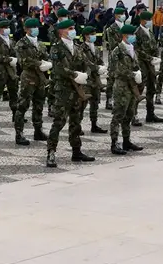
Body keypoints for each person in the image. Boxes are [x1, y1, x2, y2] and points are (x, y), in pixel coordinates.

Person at [45, 19, 94, 168]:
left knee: (76, 122)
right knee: (59, 122)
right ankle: (51, 152)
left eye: (73, 28)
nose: (73, 31)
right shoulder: (56, 49)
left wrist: (86, 73)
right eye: (70, 28)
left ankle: (76, 151)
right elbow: (58, 68)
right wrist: (74, 75)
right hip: (63, 91)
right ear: (61, 31)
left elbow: (87, 64)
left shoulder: (78, 48)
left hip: (77, 91)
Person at [108, 23, 144, 154]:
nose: (134, 36)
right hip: (122, 86)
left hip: (132, 86)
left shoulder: (132, 49)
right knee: (118, 115)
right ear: (125, 36)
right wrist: (133, 74)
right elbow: (117, 70)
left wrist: (138, 74)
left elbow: (135, 65)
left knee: (129, 114)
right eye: (132, 34)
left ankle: (126, 141)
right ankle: (114, 143)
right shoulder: (117, 51)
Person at [14, 18, 50, 142]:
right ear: (26, 29)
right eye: (32, 28)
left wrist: (48, 63)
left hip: (40, 78)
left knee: (39, 105)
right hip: (28, 78)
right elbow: (23, 61)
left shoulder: (40, 44)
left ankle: (38, 131)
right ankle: (19, 133)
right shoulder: (21, 44)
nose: (35, 29)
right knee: (23, 105)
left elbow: (46, 56)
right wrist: (40, 63)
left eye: (37, 27)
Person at [0, 20, 22, 144]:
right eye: (5, 27)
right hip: (1, 71)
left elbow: (16, 53)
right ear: (0, 29)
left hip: (12, 71)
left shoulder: (11, 40)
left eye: (8, 27)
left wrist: (15, 59)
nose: (8, 29)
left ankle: (15, 114)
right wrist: (10, 59)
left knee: (14, 93)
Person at [77, 26, 107, 136]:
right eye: (92, 34)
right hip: (86, 79)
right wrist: (97, 68)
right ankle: (77, 125)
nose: (94, 36)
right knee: (82, 103)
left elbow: (99, 60)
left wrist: (103, 67)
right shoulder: (81, 48)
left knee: (95, 102)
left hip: (96, 79)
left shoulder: (96, 48)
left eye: (95, 33)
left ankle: (94, 124)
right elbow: (86, 62)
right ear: (86, 36)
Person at [136, 11, 163, 123]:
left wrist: (156, 57)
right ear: (142, 20)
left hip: (151, 65)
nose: (150, 21)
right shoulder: (137, 33)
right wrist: (150, 58)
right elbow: (137, 50)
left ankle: (150, 113)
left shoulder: (150, 32)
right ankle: (134, 115)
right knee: (139, 90)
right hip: (142, 64)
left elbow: (155, 46)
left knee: (151, 89)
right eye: (149, 19)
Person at [103, 7, 126, 109]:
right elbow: (113, 45)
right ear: (116, 15)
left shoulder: (126, 27)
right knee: (112, 78)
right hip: (115, 56)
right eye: (122, 13)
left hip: (126, 57)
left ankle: (121, 98)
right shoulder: (111, 29)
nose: (124, 15)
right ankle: (109, 99)